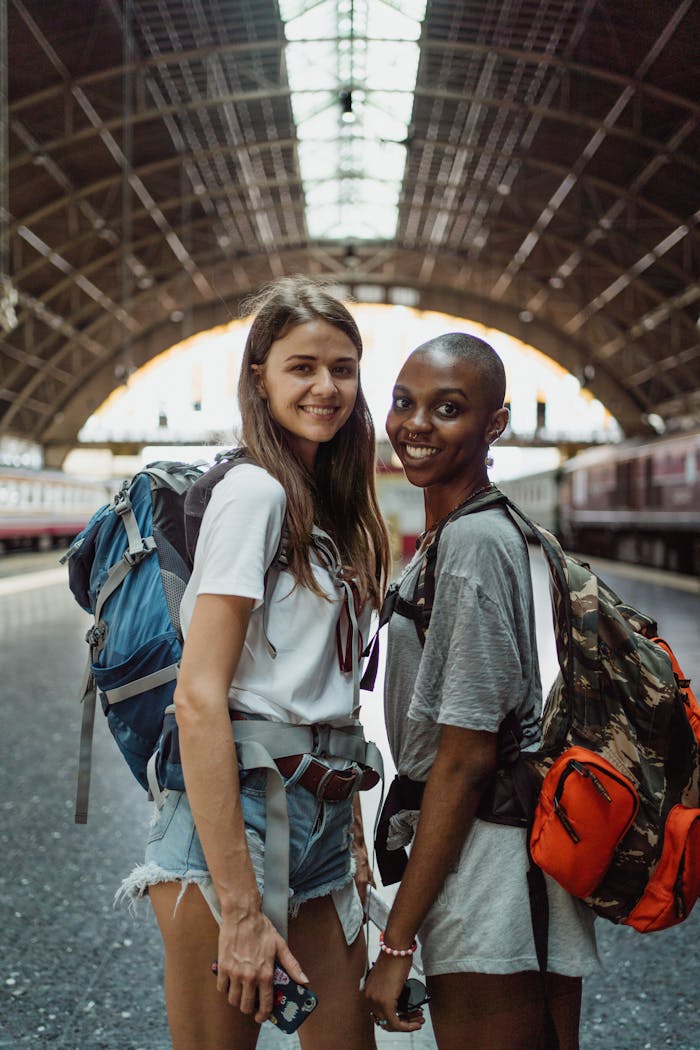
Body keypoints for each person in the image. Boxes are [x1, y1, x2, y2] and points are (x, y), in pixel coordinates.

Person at [118, 277, 390, 1050]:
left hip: (322, 828)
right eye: (302, 366)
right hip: (228, 836)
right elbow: (199, 699)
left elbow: (330, 694)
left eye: (343, 367)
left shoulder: (328, 504)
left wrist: (355, 838)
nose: (326, 386)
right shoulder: (254, 493)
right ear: (259, 377)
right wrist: (240, 908)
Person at [364, 333, 599, 1049]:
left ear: (494, 424)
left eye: (448, 408)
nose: (415, 424)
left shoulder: (468, 547)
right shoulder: (461, 532)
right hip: (498, 857)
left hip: (490, 870)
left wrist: (397, 943)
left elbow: (465, 760)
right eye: (404, 403)